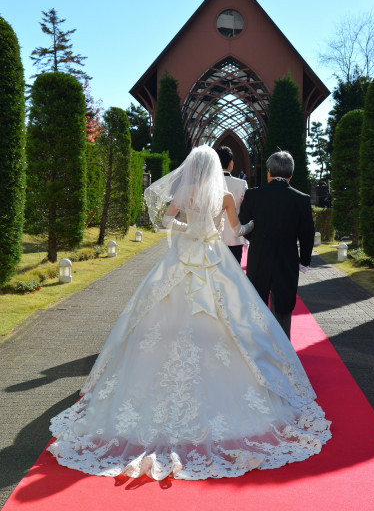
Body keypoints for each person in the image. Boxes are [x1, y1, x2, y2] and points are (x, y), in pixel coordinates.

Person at [48, 145, 330, 481]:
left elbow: (165, 221)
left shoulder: (185, 192)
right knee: (227, 313)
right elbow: (238, 232)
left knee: (161, 310)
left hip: (183, 256)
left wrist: (187, 229)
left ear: (191, 167)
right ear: (215, 167)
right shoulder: (225, 196)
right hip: (213, 256)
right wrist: (248, 225)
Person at [239, 150, 315, 340]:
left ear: (269, 172)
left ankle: (257, 350)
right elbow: (307, 235)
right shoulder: (301, 199)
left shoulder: (253, 195)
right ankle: (282, 354)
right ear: (291, 174)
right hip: (287, 260)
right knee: (282, 309)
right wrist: (304, 261)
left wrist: (257, 239)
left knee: (257, 306)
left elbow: (243, 225)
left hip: (259, 258)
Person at [215, 145, 248, 264]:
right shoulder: (241, 184)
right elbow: (246, 210)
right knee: (234, 276)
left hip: (213, 239)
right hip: (235, 237)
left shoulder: (208, 185)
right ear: (230, 163)